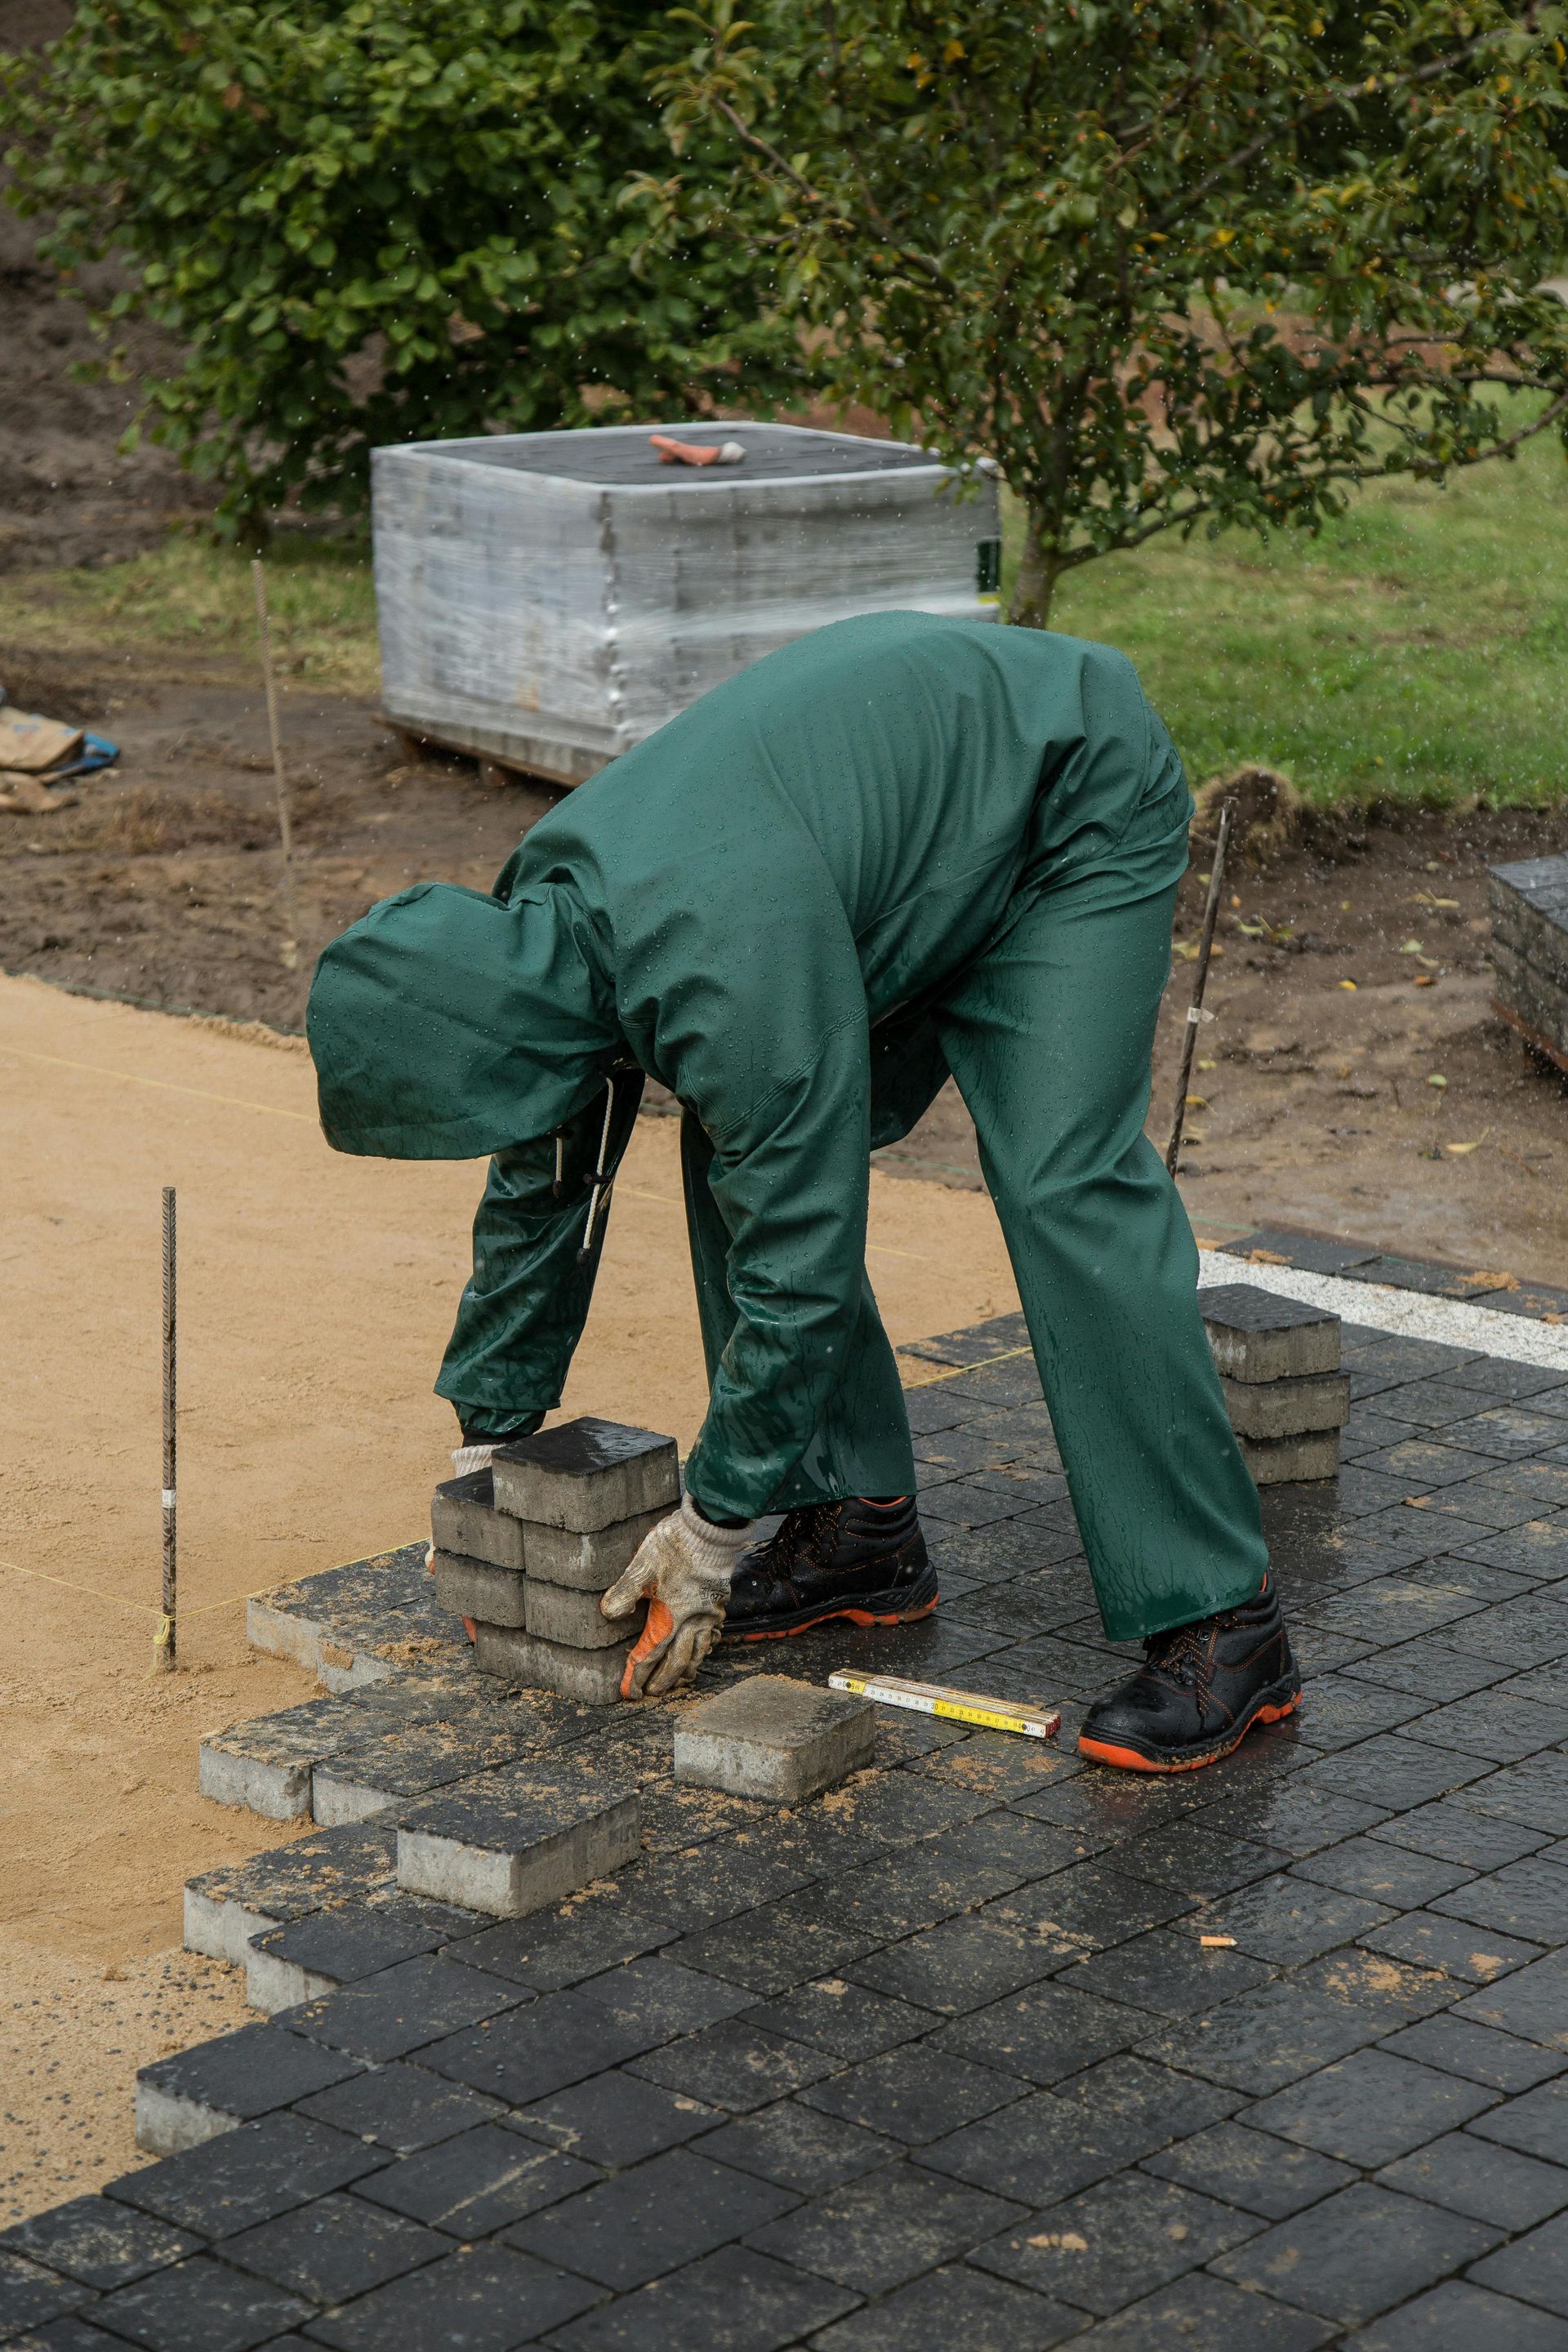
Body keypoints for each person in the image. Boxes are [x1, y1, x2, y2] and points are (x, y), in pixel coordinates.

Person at [307, 610, 1298, 1771]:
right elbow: (549, 1184)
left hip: (1061, 799)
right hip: (882, 861)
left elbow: (803, 1261)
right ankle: (858, 1527)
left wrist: (712, 1527)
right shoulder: (532, 939)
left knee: (1062, 1185)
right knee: (738, 1144)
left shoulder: (717, 967)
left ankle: (1225, 1620)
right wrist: (492, 1454)